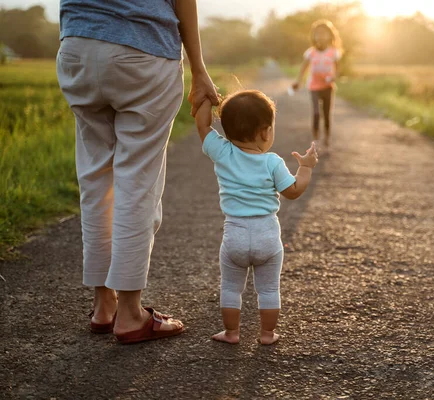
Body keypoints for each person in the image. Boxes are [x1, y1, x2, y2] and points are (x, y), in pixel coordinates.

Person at [57, 0, 218, 344]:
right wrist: (199, 69)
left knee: (95, 179)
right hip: (142, 48)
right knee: (137, 181)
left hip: (76, 47)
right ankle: (130, 314)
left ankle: (104, 306)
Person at [194, 90, 318, 345]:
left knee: (230, 287)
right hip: (268, 236)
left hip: (235, 235)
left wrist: (207, 99)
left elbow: (203, 124)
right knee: (269, 289)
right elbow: (293, 191)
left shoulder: (222, 152)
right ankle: (267, 334)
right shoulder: (272, 162)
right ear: (265, 131)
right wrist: (305, 167)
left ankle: (231, 332)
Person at [292, 19, 343, 152]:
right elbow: (303, 68)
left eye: (324, 33)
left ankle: (327, 137)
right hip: (314, 86)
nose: (320, 36)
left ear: (330, 35)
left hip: (328, 87)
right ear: (313, 36)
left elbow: (338, 70)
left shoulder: (333, 52)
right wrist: (298, 81)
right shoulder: (311, 52)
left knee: (326, 114)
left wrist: (333, 77)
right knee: (315, 112)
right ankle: (315, 139)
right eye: (317, 33)